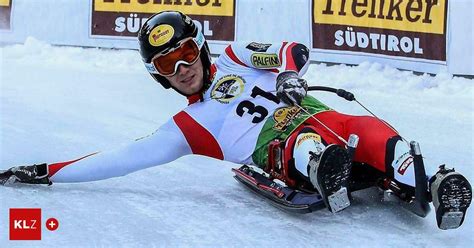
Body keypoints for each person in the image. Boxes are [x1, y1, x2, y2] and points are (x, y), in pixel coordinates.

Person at [1, 11, 471, 230]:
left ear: (200, 47)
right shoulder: (187, 129)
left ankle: (433, 183)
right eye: (168, 65)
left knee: (370, 132)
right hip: (283, 147)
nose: (182, 68)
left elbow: (292, 50)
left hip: (320, 113)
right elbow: (120, 159)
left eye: (185, 54)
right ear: (158, 77)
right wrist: (48, 173)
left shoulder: (233, 55)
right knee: (301, 141)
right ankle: (325, 170)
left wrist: (288, 76)